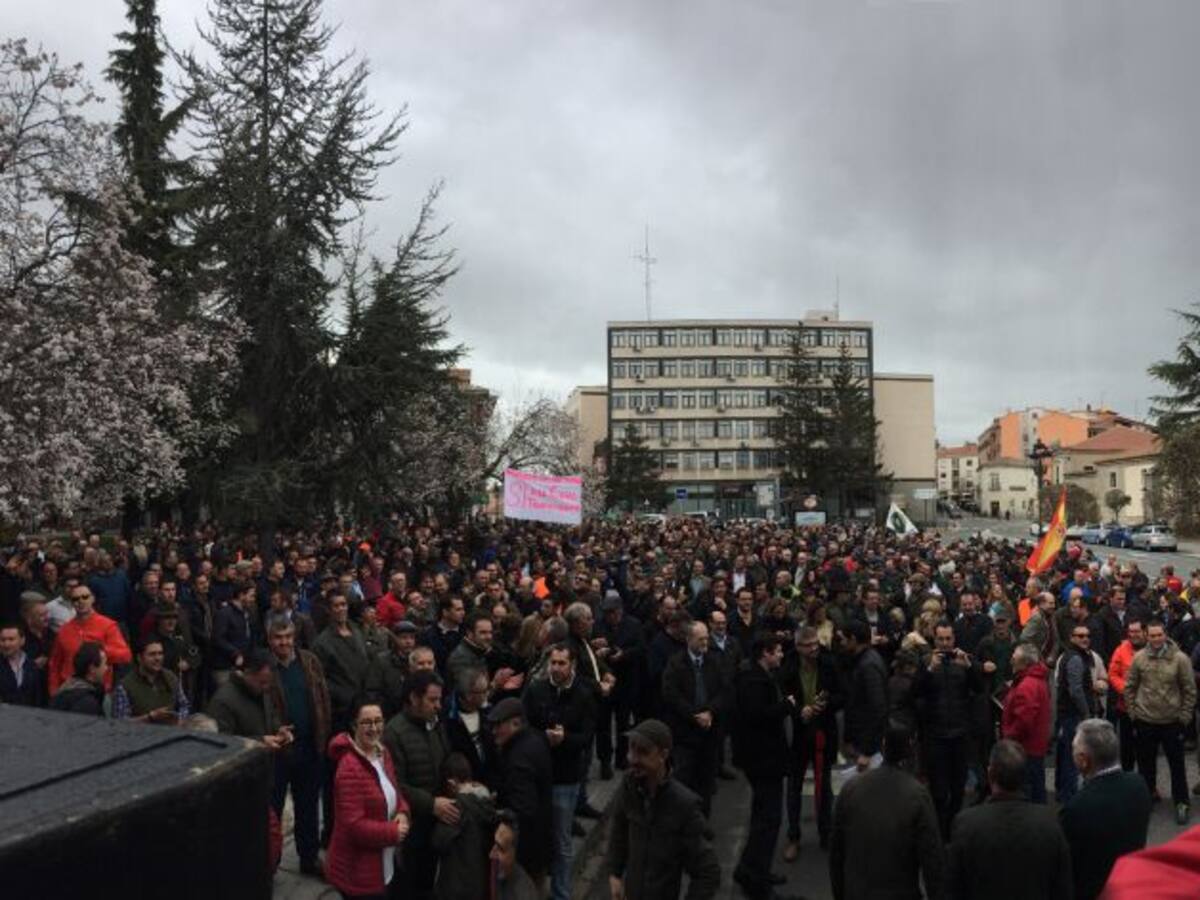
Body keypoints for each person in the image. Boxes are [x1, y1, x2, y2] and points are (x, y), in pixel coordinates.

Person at [605, 718, 720, 900]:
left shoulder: (684, 805)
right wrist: (615, 873)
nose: (632, 758)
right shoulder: (630, 785)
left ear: (663, 755)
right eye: (631, 749)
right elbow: (620, 827)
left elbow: (708, 871)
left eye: (643, 752)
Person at [829, 724, 945, 900]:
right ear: (911, 751)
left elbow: (836, 853)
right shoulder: (917, 795)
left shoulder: (851, 789)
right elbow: (932, 861)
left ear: (883, 747)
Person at [946, 740, 1072, 900]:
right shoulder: (1050, 824)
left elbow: (953, 888)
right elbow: (1063, 889)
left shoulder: (966, 824)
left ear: (990, 774)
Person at [520, 642, 596, 900]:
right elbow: (524, 725)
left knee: (562, 841)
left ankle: (561, 894)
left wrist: (565, 740)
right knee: (536, 838)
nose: (556, 668)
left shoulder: (583, 694)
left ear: (572, 664)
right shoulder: (536, 689)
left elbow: (587, 737)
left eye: (562, 663)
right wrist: (544, 738)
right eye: (553, 662)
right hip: (538, 775)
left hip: (566, 777)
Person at [266, 613, 332, 879]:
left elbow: (323, 697)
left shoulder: (309, 661)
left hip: (309, 746)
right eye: (278, 638)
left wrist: (324, 736)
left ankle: (309, 857)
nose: (284, 643)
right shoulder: (265, 667)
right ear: (269, 640)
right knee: (274, 810)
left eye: (288, 637)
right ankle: (271, 863)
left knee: (307, 807)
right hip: (279, 752)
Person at [732, 634, 798, 900]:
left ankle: (752, 869)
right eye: (778, 651)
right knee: (768, 820)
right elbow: (757, 716)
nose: (781, 655)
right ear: (765, 654)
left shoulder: (759, 676)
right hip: (762, 760)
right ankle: (757, 882)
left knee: (764, 817)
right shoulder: (753, 681)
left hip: (763, 759)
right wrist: (786, 706)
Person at [326, 700, 411, 900]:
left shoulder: (383, 753)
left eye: (378, 721)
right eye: (366, 722)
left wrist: (403, 812)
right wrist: (393, 832)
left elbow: (394, 793)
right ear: (354, 725)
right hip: (359, 874)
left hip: (384, 864)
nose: (374, 728)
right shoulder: (349, 768)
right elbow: (353, 827)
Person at [1060, 718, 1152, 900]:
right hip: (1132, 885)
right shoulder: (1139, 785)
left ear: (1083, 760)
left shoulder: (1076, 809)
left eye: (1074, 749)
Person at [383, 669, 454, 900]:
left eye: (439, 700)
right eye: (432, 700)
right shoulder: (394, 732)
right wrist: (431, 803)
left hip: (434, 822)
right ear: (414, 698)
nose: (438, 706)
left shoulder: (434, 724)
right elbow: (396, 785)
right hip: (410, 826)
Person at [1124, 619, 1196, 824]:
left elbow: (1189, 690)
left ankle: (1181, 802)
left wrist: (1184, 717)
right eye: (1152, 635)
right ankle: (1146, 800)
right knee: (1146, 766)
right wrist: (1133, 714)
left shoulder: (1180, 659)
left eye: (1159, 635)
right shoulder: (1139, 658)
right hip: (1145, 720)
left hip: (1172, 721)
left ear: (1165, 635)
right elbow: (1130, 687)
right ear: (1147, 636)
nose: (1156, 639)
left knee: (1177, 765)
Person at [779, 624, 841, 858]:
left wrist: (826, 704)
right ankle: (793, 836)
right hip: (797, 734)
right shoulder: (788, 665)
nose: (814, 648)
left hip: (824, 731)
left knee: (824, 785)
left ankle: (827, 833)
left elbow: (842, 694)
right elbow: (781, 695)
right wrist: (798, 712)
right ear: (798, 647)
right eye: (808, 645)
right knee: (794, 786)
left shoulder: (829, 662)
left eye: (816, 643)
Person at [918, 620, 983, 838]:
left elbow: (979, 689)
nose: (945, 644)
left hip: (960, 734)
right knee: (938, 790)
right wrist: (929, 670)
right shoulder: (926, 661)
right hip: (935, 735)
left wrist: (970, 667)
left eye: (948, 639)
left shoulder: (964, 660)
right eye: (941, 639)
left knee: (958, 789)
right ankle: (939, 830)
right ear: (934, 640)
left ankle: (953, 828)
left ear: (954, 639)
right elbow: (915, 693)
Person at [660, 620, 727, 818]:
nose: (706, 643)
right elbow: (670, 694)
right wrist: (693, 715)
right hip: (685, 732)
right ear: (689, 639)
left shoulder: (714, 661)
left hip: (710, 732)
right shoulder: (675, 663)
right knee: (684, 779)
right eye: (701, 639)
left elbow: (724, 691)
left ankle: (702, 822)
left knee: (706, 781)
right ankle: (682, 822)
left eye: (707, 638)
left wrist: (710, 713)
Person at [489, 697, 554, 888]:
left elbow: (523, 808)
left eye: (498, 726)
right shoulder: (535, 739)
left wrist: (498, 815)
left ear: (515, 723)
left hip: (526, 849)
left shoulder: (519, 758)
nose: (493, 732)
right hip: (540, 842)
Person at [430, 752, 496, 900]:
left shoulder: (456, 808)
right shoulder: (486, 803)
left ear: (451, 784)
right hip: (480, 883)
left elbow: (438, 842)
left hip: (455, 885)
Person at [48, 582, 131, 696]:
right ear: (72, 603)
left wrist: (99, 651)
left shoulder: (108, 625)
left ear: (93, 599)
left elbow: (125, 655)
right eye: (75, 599)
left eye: (85, 597)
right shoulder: (64, 630)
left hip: (99, 690)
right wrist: (53, 690)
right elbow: (55, 664)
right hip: (69, 690)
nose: (81, 601)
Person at [1055, 621, 1102, 805]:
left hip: (1068, 713)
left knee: (1065, 754)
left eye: (1087, 636)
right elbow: (1076, 690)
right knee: (1072, 758)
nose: (1085, 639)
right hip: (1072, 715)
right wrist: (1086, 714)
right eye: (1080, 636)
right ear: (1072, 638)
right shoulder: (1075, 658)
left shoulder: (1074, 655)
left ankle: (1062, 792)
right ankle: (1070, 799)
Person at [1000, 642, 1052, 802]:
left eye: (1014, 657)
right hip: (1035, 747)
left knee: (1028, 793)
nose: (1011, 661)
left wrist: (1007, 737)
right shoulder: (1037, 680)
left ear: (1024, 662)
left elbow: (1024, 721)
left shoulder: (1026, 685)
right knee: (1037, 790)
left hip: (1025, 749)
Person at [840, 619, 889, 772]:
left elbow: (878, 709)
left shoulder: (868, 666)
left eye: (843, 639)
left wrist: (867, 751)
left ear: (853, 639)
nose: (841, 643)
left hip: (867, 744)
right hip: (862, 739)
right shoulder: (863, 661)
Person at [113, 637, 190, 724]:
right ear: (139, 658)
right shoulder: (125, 686)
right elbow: (121, 724)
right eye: (152, 654)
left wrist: (180, 719)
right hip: (141, 735)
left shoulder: (171, 677)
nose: (157, 658)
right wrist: (150, 717)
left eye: (160, 653)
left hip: (171, 732)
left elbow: (184, 705)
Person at [1107, 618, 1146, 772]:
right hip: (1126, 707)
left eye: (1136, 631)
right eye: (1131, 631)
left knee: (1146, 748)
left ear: (1144, 632)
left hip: (1149, 707)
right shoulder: (1122, 649)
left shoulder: (1152, 647)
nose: (1133, 635)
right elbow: (1113, 673)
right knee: (1127, 748)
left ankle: (1148, 784)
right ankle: (1128, 780)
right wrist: (1125, 690)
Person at [489, 810, 541, 900]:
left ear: (515, 853)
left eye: (501, 849)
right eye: (492, 845)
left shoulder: (523, 894)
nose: (491, 855)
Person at [48, 641, 108, 716]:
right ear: (92, 669)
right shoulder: (87, 705)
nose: (106, 668)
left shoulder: (64, 690)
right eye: (104, 664)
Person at [0, 622, 43, 706]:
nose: (6, 644)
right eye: (3, 640)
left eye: (11, 639)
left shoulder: (34, 668)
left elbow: (40, 699)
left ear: (22, 641)